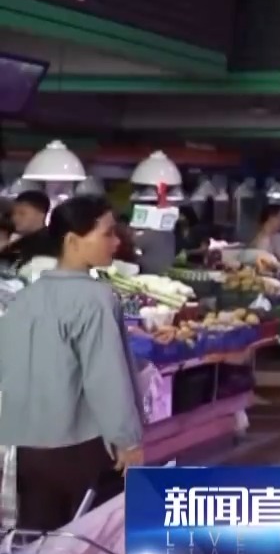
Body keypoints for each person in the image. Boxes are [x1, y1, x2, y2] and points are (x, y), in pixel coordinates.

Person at [0, 196, 143, 531]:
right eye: (107, 233)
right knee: (93, 538)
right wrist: (128, 441)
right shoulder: (96, 298)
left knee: (39, 541)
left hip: (25, 451)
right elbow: (106, 377)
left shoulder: (24, 297)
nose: (116, 242)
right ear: (73, 241)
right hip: (81, 449)